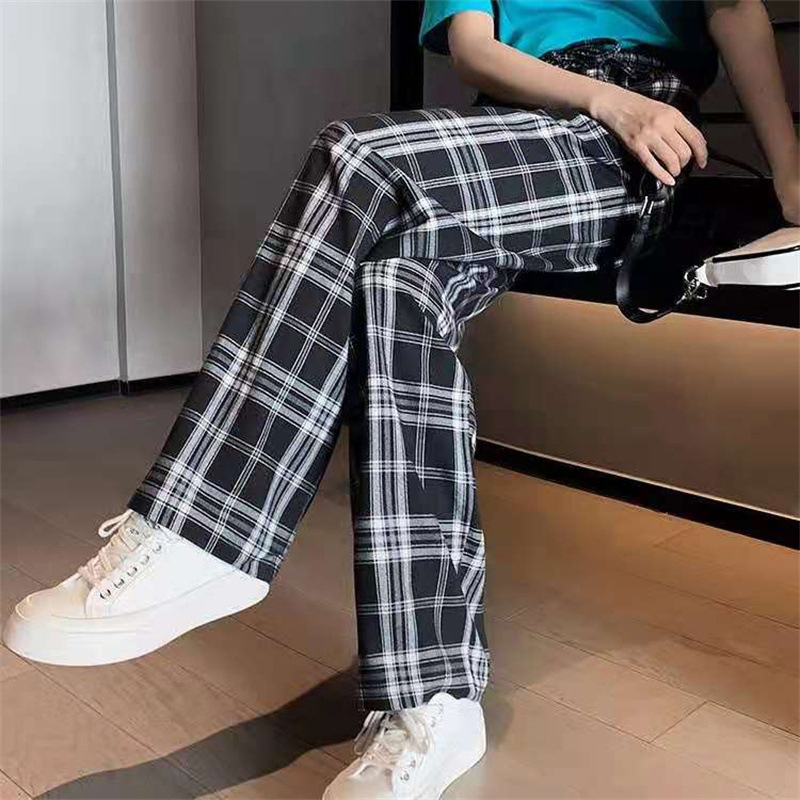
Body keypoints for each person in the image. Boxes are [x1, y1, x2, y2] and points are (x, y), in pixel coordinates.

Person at [4, 1, 798, 797]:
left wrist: (789, 177)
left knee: (356, 154)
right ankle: (433, 697)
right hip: (501, 136)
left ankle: (205, 528)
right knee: (396, 282)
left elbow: (736, 9)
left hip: (630, 139)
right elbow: (475, 52)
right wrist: (593, 97)